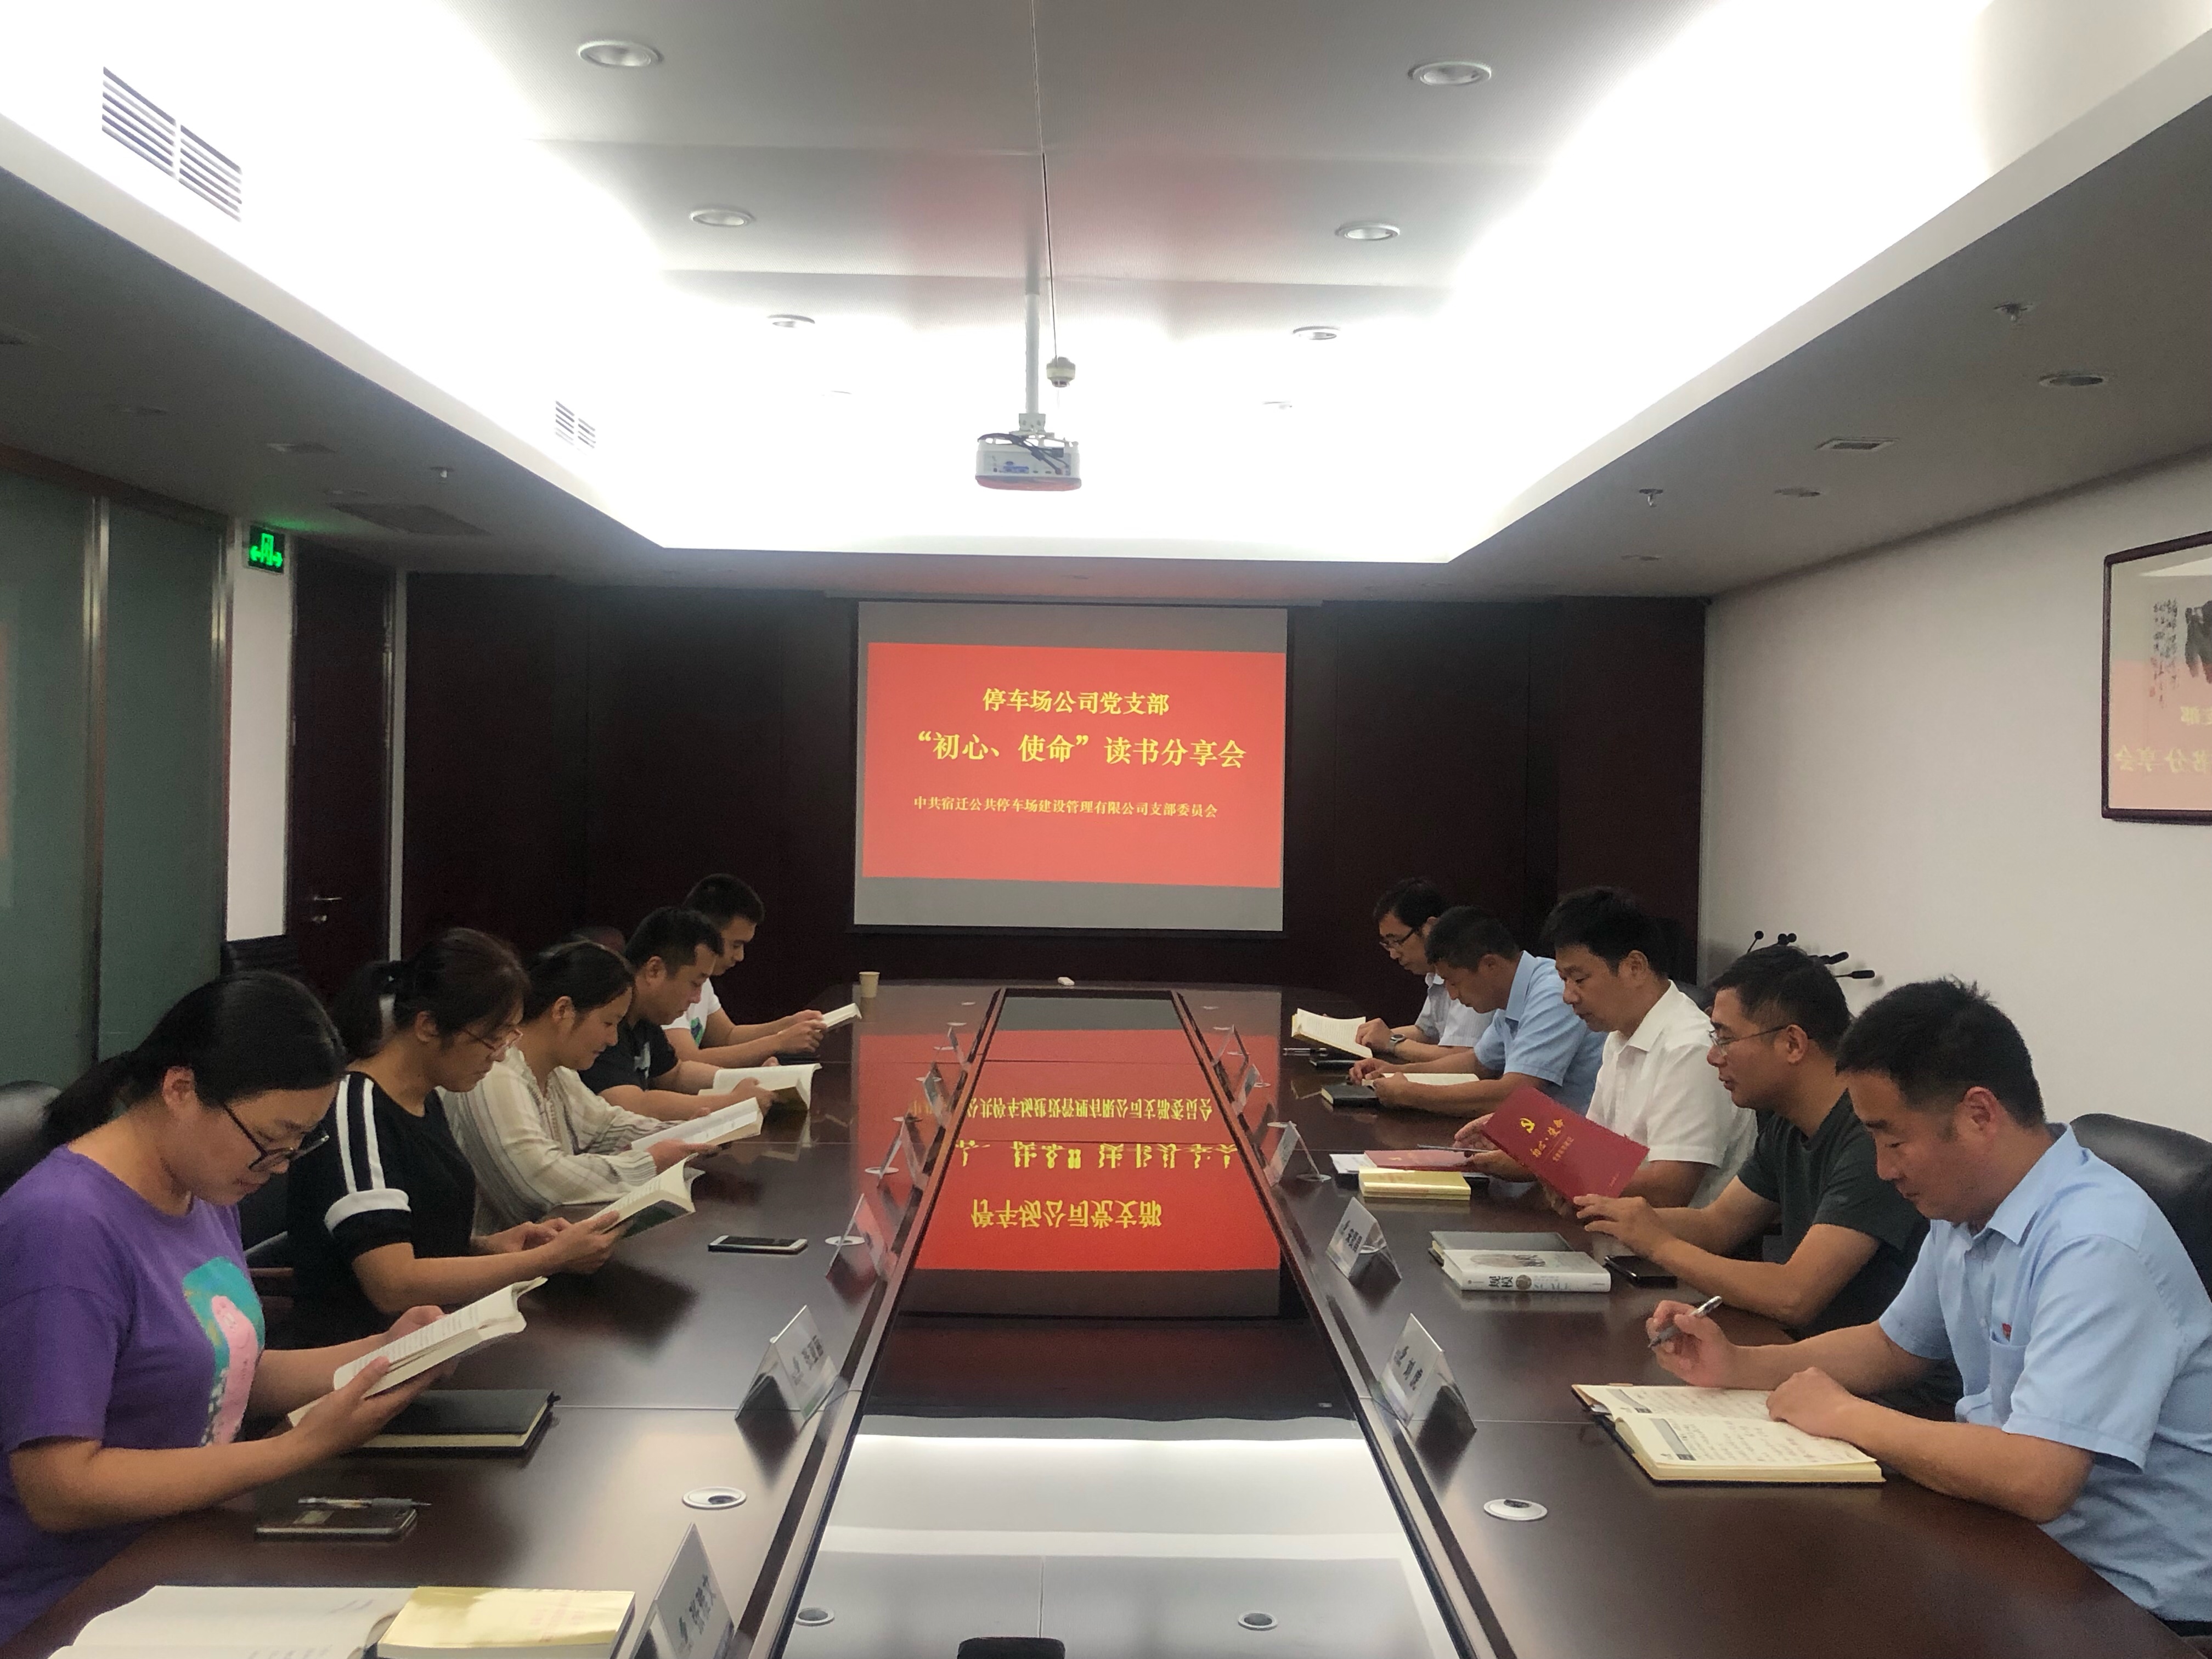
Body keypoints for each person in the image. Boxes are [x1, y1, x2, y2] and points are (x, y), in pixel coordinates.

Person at [1649, 979, 2212, 1634]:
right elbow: (1893, 1346)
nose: (1883, 1170)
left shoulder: (2096, 1244)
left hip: (2128, 1604)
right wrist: (1741, 1365)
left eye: (1893, 1141)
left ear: (1978, 1116)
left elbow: (2038, 1477)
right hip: (2014, 1544)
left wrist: (1846, 1416)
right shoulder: (1966, 1207)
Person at [0, 974, 452, 1642]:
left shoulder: (205, 1188)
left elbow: (222, 1365)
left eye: (300, 1143)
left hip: (187, 1547)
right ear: (181, 1090)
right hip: (72, 1602)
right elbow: (60, 1488)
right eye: (272, 1139)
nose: (282, 1165)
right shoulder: (64, 1226)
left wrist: (385, 1352)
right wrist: (299, 1448)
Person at [1574, 946, 1946, 1387]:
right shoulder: (1787, 1122)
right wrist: (1617, 1216)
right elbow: (1718, 1225)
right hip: (1809, 1361)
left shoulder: (1871, 1138)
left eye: (1725, 1038)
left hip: (1875, 1384)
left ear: (1792, 1044)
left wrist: (1660, 1244)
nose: (1713, 1056)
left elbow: (1795, 1295)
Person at [285, 929, 623, 1346]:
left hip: (437, 1335)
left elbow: (417, 1236)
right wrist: (545, 1260)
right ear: (428, 1026)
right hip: (361, 1351)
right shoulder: (357, 1108)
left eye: (508, 1037)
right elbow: (392, 1283)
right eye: (492, 1038)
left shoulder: (425, 1097)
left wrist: (487, 1248)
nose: (500, 1055)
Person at [1457, 887, 1752, 1206]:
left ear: (1634, 967)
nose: (1568, 996)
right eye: (1563, 980)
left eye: (1579, 979)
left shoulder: (1690, 1050)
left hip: (1663, 1235)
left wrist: (1540, 1166)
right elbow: (1593, 1148)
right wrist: (1519, 1134)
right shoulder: (1619, 1035)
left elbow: (1669, 1188)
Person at [447, 940, 756, 1231]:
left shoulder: (558, 1072)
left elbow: (606, 1127)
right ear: (563, 1011)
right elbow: (541, 1182)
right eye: (608, 1023)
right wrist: (651, 1162)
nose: (612, 1039)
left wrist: (686, 1135)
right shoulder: (494, 1073)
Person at [1350, 907, 1604, 1116]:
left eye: (1454, 982)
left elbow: (1516, 1093)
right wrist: (1396, 1072)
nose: (1453, 995)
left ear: (1489, 965)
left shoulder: (1552, 992)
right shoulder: (1513, 993)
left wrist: (1413, 1094)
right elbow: (1477, 1063)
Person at [578, 908, 763, 1121]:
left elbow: (676, 1074)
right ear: (654, 970)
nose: (697, 998)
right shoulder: (604, 1015)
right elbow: (632, 1105)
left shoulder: (647, 1015)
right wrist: (732, 1101)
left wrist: (754, 1080)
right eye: (695, 983)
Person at [659, 875, 827, 1070]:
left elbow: (727, 1036)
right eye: (736, 945)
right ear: (706, 934)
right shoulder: (670, 980)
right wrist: (778, 1042)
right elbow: (685, 1063)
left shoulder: (703, 979)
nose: (740, 957)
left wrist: (788, 1025)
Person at [1350, 878, 1487, 1066]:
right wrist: (1363, 1036)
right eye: (1388, 944)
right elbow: (1427, 1033)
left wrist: (1391, 1042)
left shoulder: (1470, 969)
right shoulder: (1435, 972)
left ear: (1431, 927)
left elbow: (1464, 1057)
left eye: (1397, 941)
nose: (1393, 954)